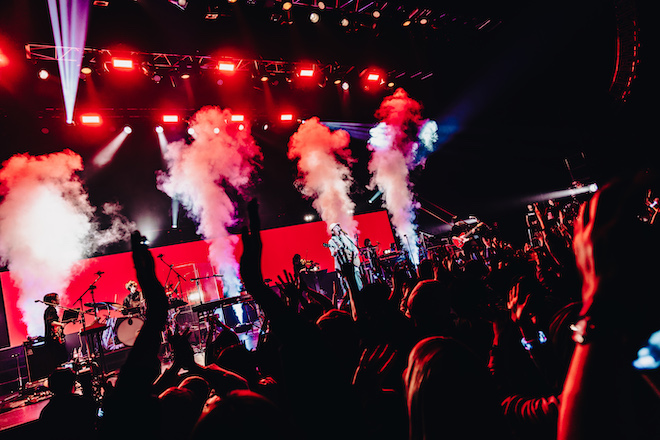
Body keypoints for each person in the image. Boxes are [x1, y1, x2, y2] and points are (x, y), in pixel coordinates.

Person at [326, 222, 363, 299]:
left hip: (352, 264)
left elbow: (355, 248)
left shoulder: (346, 237)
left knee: (358, 283)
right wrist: (336, 250)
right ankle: (350, 302)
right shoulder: (331, 241)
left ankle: (361, 298)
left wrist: (354, 255)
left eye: (338, 226)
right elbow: (333, 254)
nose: (338, 228)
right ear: (332, 231)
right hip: (342, 266)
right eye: (336, 227)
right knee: (347, 286)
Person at [43, 292, 68, 373]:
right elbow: (50, 322)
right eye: (57, 298)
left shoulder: (50, 310)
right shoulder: (51, 309)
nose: (59, 300)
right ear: (53, 301)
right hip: (53, 339)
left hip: (53, 338)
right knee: (57, 358)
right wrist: (61, 324)